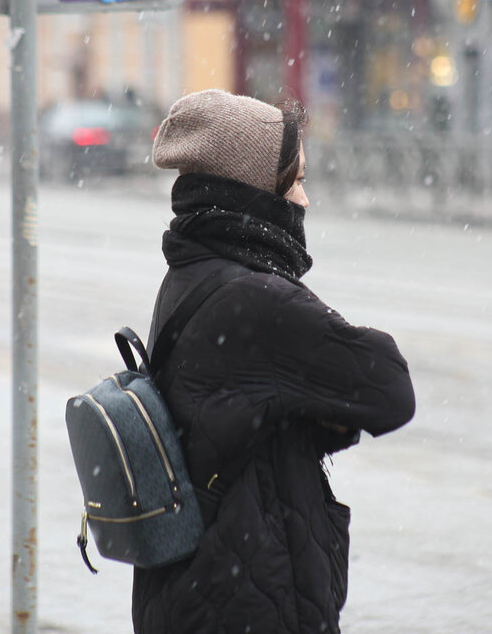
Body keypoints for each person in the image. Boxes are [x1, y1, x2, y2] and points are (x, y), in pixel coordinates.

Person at [133, 89, 416, 634]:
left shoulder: (193, 271)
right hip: (246, 599)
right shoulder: (257, 298)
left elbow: (235, 414)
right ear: (254, 191)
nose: (304, 200)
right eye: (296, 181)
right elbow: (389, 389)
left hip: (193, 586)